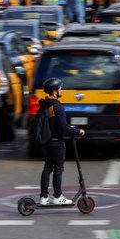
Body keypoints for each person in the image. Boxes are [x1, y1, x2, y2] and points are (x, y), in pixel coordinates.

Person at [38, 77, 85, 206]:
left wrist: (70, 128)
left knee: (47, 167)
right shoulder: (58, 106)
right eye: (60, 88)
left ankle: (43, 197)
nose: (61, 90)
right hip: (57, 142)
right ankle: (58, 196)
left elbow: (53, 124)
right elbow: (63, 127)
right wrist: (77, 131)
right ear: (55, 91)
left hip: (46, 141)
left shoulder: (44, 104)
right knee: (58, 168)